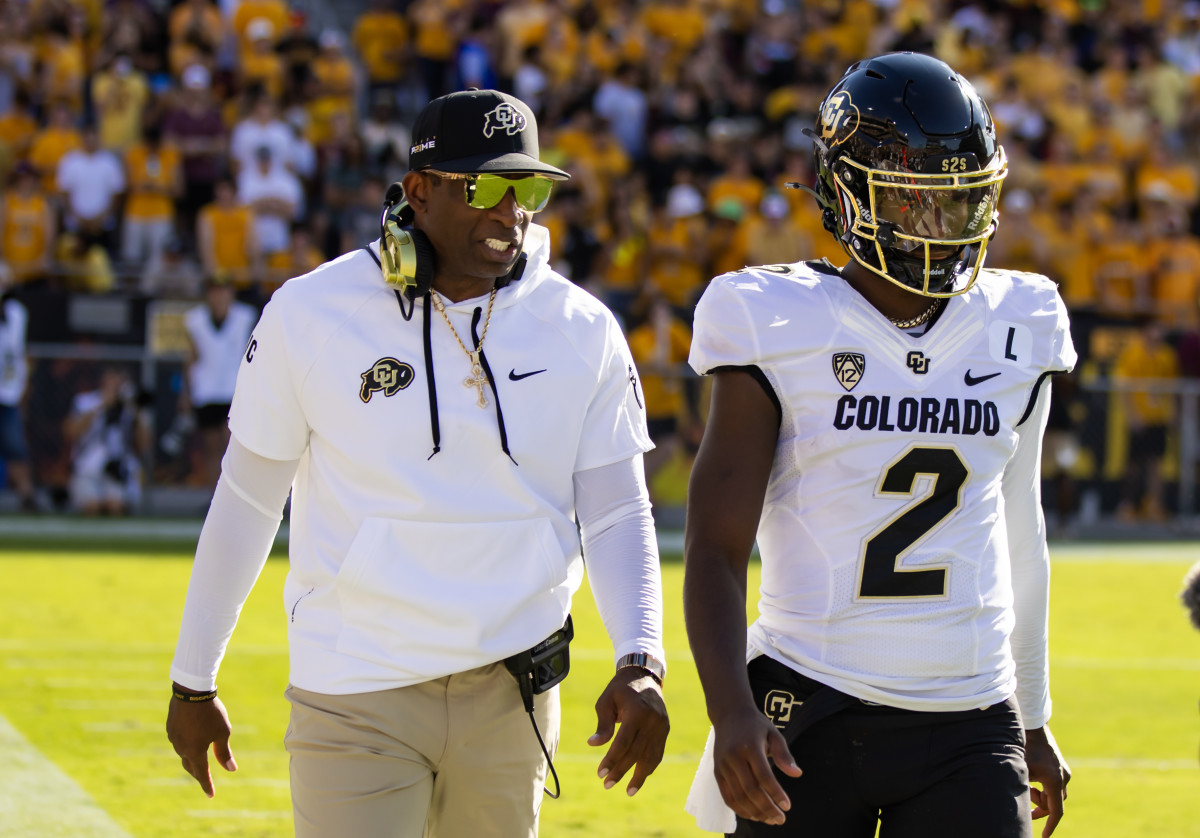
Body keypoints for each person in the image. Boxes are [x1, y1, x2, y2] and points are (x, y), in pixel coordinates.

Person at [166, 88, 669, 838]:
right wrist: (193, 680)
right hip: (354, 686)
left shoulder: (582, 326)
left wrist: (641, 658)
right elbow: (246, 500)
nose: (512, 212)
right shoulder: (311, 313)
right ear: (418, 192)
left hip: (513, 691)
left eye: (525, 187)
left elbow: (618, 508)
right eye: (487, 188)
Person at [682, 53, 1074, 838]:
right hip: (811, 702)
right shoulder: (773, 316)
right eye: (918, 199)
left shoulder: (1021, 319)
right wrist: (730, 712)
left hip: (971, 712)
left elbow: (1020, 535)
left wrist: (1030, 712)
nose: (945, 226)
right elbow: (715, 547)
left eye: (962, 201)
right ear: (849, 193)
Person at [182, 274, 258, 488]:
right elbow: (191, 357)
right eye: (214, 290)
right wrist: (186, 392)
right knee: (210, 447)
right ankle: (213, 494)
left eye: (223, 290)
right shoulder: (195, 320)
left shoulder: (245, 317)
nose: (219, 295)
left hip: (233, 389)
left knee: (232, 446)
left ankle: (235, 493)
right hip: (206, 389)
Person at [0, 262, 37, 512]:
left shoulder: (16, 313)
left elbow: (20, 352)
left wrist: (23, 383)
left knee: (16, 446)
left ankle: (27, 496)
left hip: (8, 391)